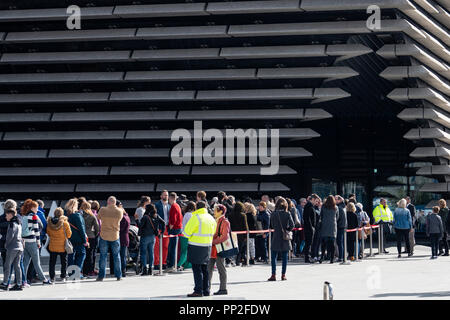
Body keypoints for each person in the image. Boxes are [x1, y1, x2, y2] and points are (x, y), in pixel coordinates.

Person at [184, 201, 217, 297]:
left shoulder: (195, 217)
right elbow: (214, 231)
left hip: (196, 246)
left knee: (197, 269)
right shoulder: (211, 218)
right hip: (207, 246)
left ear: (196, 208)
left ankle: (198, 290)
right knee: (205, 268)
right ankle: (206, 290)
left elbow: (186, 232)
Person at [21, 199, 51, 285]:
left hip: (25, 241)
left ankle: (23, 280)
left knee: (25, 262)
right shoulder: (33, 216)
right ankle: (44, 279)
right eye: (36, 207)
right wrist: (38, 242)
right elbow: (36, 230)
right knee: (36, 262)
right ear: (32, 207)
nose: (37, 209)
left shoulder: (24, 216)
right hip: (32, 241)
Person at [96, 196, 124, 281]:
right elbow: (120, 219)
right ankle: (119, 275)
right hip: (115, 235)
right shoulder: (120, 211)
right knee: (116, 256)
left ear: (108, 202)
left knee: (103, 256)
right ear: (115, 202)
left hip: (104, 235)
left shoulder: (103, 210)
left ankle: (101, 276)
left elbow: (98, 218)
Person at [267, 197, 294, 281]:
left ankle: (273, 274)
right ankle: (283, 275)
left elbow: (270, 225)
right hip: (284, 237)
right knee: (285, 257)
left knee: (273, 256)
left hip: (276, 236)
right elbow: (292, 225)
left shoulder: (273, 214)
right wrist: (287, 230)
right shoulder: (287, 213)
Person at [207, 204, 229, 295]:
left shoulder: (225, 221)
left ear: (220, 211)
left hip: (219, 248)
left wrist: (212, 241)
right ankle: (207, 288)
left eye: (215, 210)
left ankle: (223, 288)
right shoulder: (215, 220)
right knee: (209, 269)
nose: (214, 211)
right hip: (213, 249)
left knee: (221, 269)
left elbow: (224, 236)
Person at [138, 204, 165, 276]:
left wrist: (136, 220)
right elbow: (163, 222)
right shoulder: (156, 215)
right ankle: (150, 269)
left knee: (143, 253)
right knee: (151, 253)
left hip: (145, 236)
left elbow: (140, 226)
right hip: (153, 237)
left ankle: (144, 269)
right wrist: (161, 232)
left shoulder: (145, 217)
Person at [0, 208, 24, 291]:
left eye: (6, 215)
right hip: (19, 247)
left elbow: (10, 236)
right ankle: (19, 284)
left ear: (10, 215)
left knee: (7, 265)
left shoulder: (11, 224)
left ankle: (5, 283)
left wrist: (6, 245)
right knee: (17, 266)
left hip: (12, 247)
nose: (6, 217)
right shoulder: (18, 223)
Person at [46, 207, 72, 282]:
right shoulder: (65, 223)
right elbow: (69, 235)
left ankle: (52, 277)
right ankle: (63, 276)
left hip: (53, 246)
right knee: (63, 262)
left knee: (52, 262)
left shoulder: (49, 223)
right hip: (62, 246)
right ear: (62, 214)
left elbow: (48, 233)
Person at [65, 198, 88, 278]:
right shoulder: (77, 215)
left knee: (71, 256)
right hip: (78, 239)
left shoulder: (65, 214)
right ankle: (77, 273)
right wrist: (85, 240)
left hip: (69, 239)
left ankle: (71, 273)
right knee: (81, 255)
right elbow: (81, 229)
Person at [80, 201, 100, 277]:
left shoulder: (80, 215)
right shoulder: (92, 216)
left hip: (82, 236)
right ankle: (88, 271)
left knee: (82, 254)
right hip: (91, 236)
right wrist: (95, 234)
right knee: (90, 254)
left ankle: (82, 270)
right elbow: (97, 227)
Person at [166, 192, 183, 272]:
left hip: (174, 229)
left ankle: (171, 264)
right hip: (178, 228)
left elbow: (173, 220)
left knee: (172, 247)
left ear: (170, 198)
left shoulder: (173, 206)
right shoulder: (177, 206)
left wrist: (170, 228)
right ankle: (172, 264)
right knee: (174, 247)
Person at [319, 195, 339, 264]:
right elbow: (337, 217)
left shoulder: (323, 207)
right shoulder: (335, 207)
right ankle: (332, 259)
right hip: (333, 226)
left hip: (324, 226)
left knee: (323, 244)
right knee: (332, 243)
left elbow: (321, 215)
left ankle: (322, 257)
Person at [154, 190, 170, 269]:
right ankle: (157, 263)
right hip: (159, 228)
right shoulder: (156, 205)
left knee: (165, 246)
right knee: (157, 246)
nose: (166, 197)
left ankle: (163, 262)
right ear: (161, 196)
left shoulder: (169, 205)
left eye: (167, 195)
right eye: (164, 195)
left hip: (166, 228)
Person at [229, 201, 248, 266]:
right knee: (240, 248)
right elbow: (245, 225)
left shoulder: (230, 215)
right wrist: (246, 235)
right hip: (241, 234)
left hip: (233, 233)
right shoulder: (243, 215)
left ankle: (232, 260)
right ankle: (238, 261)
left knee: (233, 247)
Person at [303, 194, 320, 263]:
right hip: (309, 228)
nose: (316, 203)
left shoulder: (310, 206)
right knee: (308, 243)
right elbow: (307, 218)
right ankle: (306, 258)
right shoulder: (308, 206)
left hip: (311, 227)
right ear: (312, 199)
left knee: (309, 243)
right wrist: (311, 227)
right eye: (316, 201)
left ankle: (307, 257)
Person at [179, 201, 196, 271]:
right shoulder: (190, 215)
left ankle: (186, 265)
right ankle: (179, 265)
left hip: (184, 235)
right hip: (186, 235)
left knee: (186, 251)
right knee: (185, 251)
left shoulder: (187, 214)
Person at [118, 201, 130, 277]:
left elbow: (120, 229)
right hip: (125, 237)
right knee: (123, 255)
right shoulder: (127, 216)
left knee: (122, 256)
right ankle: (123, 270)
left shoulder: (122, 218)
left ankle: (122, 271)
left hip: (122, 237)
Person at [335, 195, 347, 262]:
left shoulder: (339, 207)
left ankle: (340, 257)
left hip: (340, 227)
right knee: (341, 243)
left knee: (339, 243)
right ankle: (342, 256)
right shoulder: (343, 207)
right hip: (343, 226)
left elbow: (337, 218)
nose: (335, 200)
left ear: (340, 200)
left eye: (336, 199)